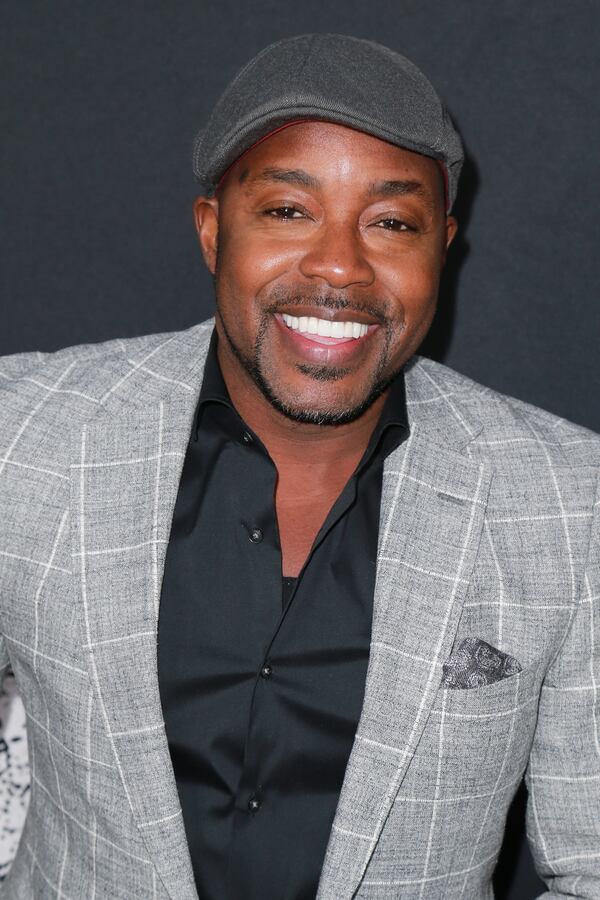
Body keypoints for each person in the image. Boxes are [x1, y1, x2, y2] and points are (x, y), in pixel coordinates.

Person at [0, 32, 598, 900]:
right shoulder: (25, 434)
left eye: (392, 223)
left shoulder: (568, 503)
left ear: (443, 247)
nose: (339, 267)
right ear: (213, 230)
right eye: (288, 210)